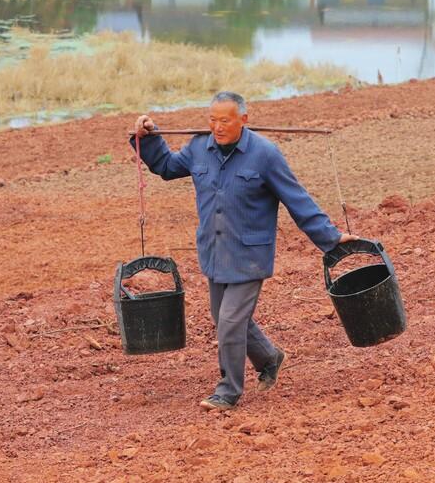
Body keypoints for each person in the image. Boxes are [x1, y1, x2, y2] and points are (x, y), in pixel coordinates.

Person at [131, 91, 356, 411]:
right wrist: (148, 137)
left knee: (231, 320)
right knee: (225, 318)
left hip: (250, 255)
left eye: (225, 120)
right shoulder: (198, 148)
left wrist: (331, 238)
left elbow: (297, 199)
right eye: (212, 120)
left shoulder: (265, 155)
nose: (217, 127)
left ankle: (228, 390)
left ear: (244, 120)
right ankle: (269, 357)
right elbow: (166, 166)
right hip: (214, 250)